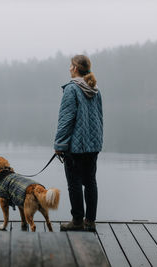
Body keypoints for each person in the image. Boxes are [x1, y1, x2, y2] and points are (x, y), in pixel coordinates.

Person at [54, 55, 103, 231]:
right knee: (90, 181)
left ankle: (77, 222)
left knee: (74, 183)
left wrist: (59, 145)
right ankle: (90, 221)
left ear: (75, 68)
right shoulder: (95, 88)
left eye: (70, 65)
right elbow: (100, 117)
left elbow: (66, 120)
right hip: (93, 146)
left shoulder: (72, 89)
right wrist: (98, 142)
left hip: (75, 147)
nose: (69, 68)